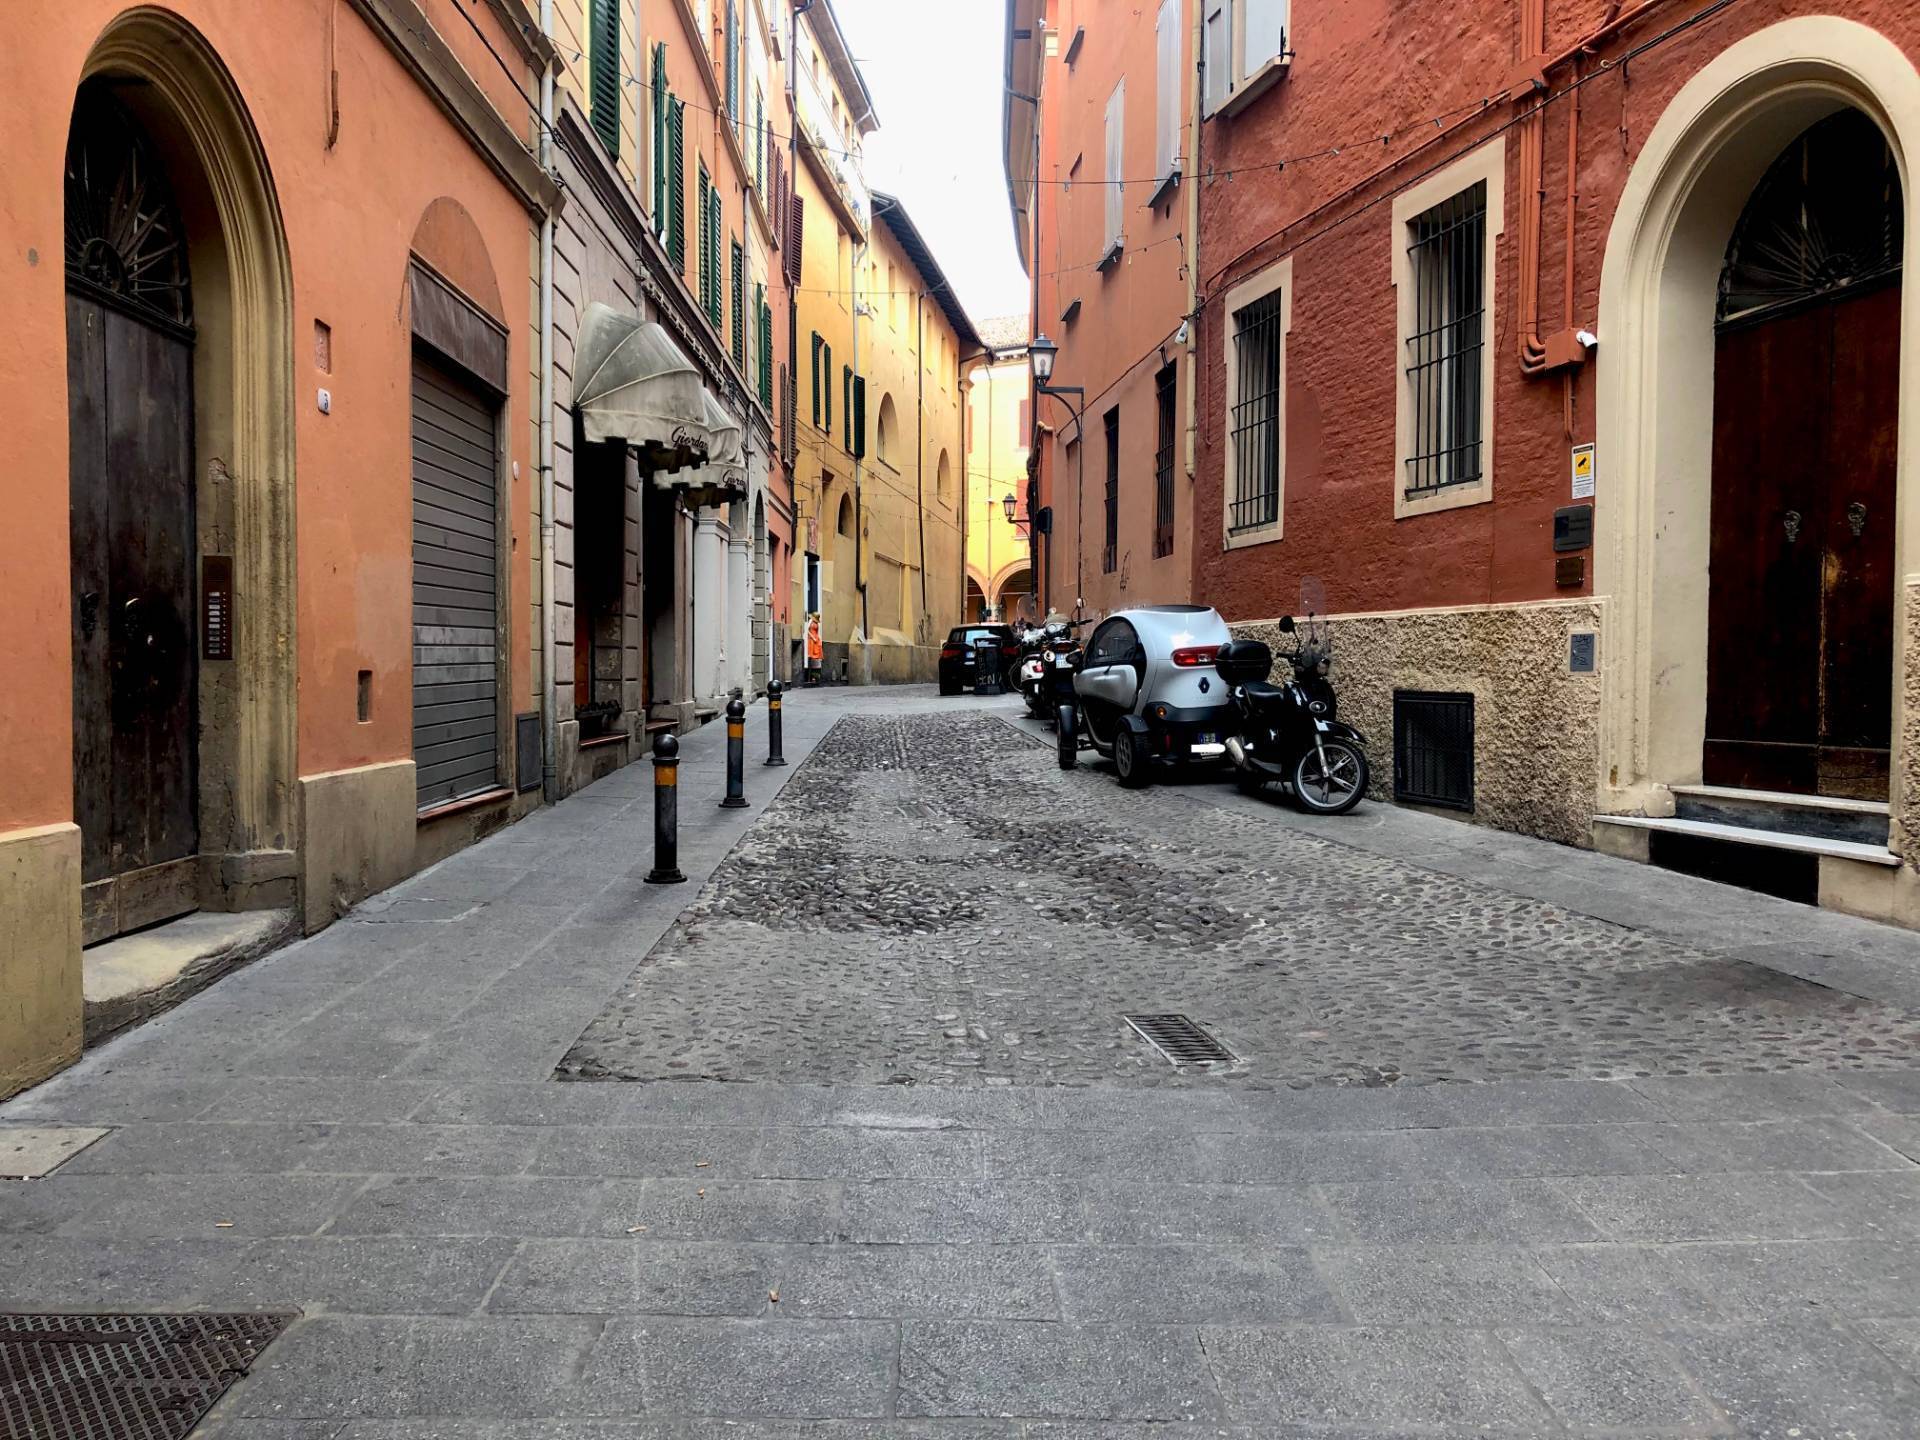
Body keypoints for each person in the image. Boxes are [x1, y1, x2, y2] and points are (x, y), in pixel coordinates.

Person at [804, 613, 823, 686]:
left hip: (816, 639)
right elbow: (807, 630)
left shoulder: (816, 623)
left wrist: (818, 639)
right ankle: (810, 676)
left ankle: (814, 676)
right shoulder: (810, 621)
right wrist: (812, 637)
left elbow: (817, 632)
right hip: (812, 640)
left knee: (816, 657)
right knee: (811, 656)